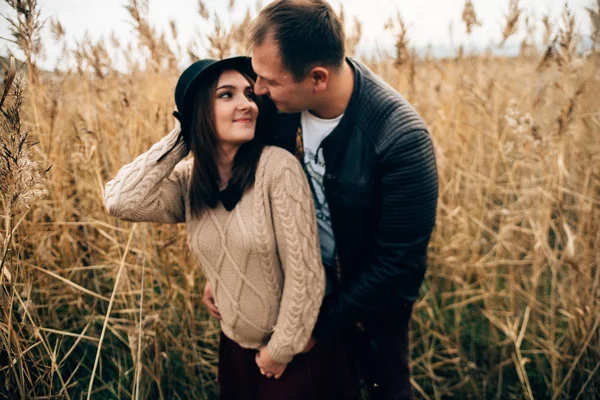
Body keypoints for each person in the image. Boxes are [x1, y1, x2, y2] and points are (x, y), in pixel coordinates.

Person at [104, 56, 356, 400]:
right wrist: (183, 136)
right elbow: (121, 200)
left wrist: (280, 351)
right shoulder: (191, 182)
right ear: (198, 113)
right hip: (234, 347)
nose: (246, 104)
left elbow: (305, 274)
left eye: (250, 94)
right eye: (227, 95)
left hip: (293, 351)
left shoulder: (275, 169)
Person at [240, 1, 439, 399]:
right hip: (295, 291)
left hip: (370, 308)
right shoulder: (276, 108)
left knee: (385, 388)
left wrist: (317, 327)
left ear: (317, 78)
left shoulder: (400, 139)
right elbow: (242, 188)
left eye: (268, 81)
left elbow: (397, 264)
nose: (257, 91)